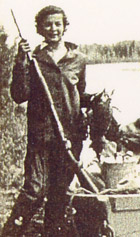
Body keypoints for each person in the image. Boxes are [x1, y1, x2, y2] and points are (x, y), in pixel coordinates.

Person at [2, 5, 91, 237]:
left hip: (70, 140)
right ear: (40, 28)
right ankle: (9, 233)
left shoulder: (78, 59)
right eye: (48, 24)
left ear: (65, 26)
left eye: (58, 23)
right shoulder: (35, 59)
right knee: (34, 190)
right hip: (41, 137)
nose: (53, 29)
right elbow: (19, 95)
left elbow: (80, 96)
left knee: (59, 194)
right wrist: (21, 60)